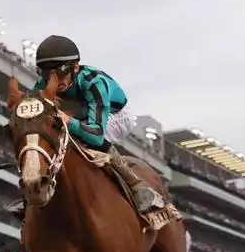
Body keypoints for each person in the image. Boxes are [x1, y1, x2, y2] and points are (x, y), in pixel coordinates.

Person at [12, 35, 163, 220]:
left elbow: (97, 135)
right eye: (47, 75)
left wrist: (69, 122)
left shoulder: (94, 83)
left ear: (74, 68)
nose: (54, 81)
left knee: (86, 139)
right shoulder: (42, 85)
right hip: (79, 110)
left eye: (60, 74)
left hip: (117, 115)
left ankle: (136, 186)